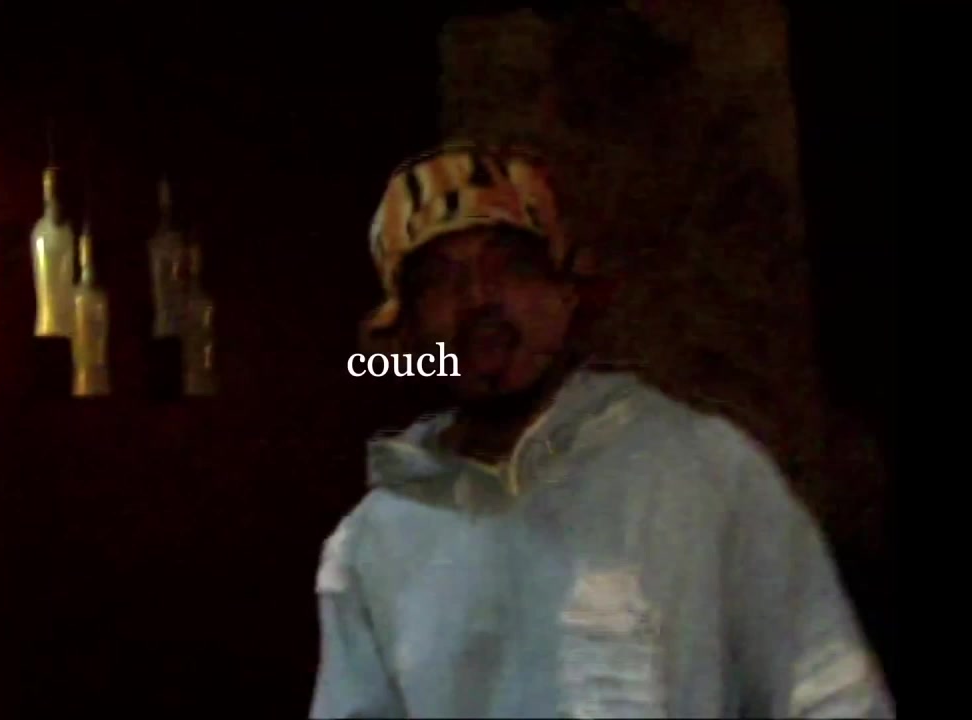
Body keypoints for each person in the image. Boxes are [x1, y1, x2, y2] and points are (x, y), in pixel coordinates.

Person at [310, 142, 894, 718]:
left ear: (566, 294)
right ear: (411, 330)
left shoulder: (706, 473)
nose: (479, 297)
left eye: (510, 265)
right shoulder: (373, 545)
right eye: (439, 280)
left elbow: (833, 696)